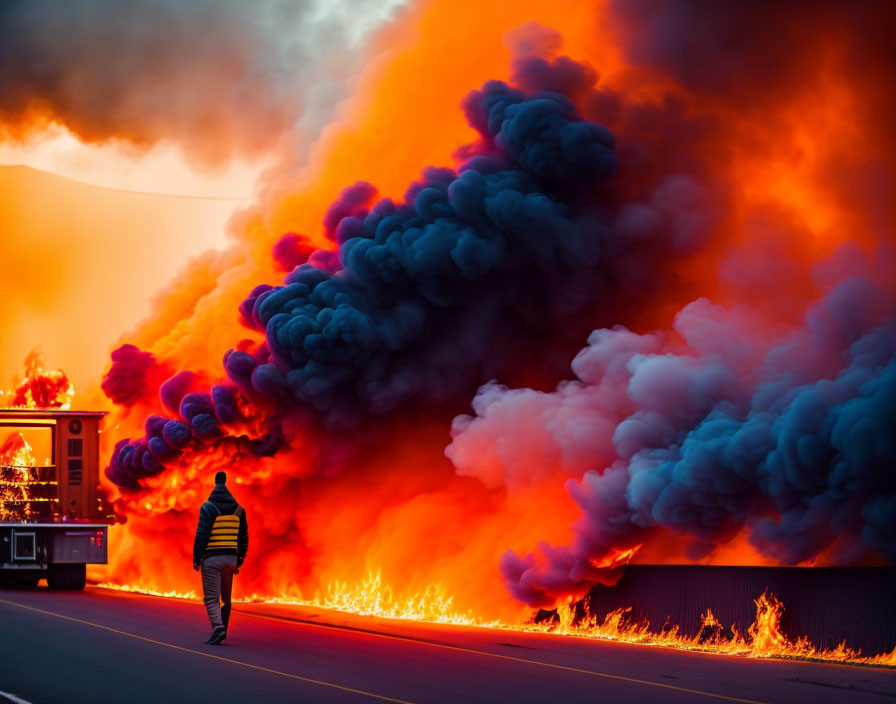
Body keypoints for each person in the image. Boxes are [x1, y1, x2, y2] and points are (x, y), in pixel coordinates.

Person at [193, 471, 248, 645]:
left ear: (214, 485)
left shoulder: (208, 508)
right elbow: (243, 538)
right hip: (230, 560)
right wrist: (238, 560)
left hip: (212, 560)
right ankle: (223, 628)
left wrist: (196, 558)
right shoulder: (239, 510)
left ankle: (218, 628)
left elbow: (201, 535)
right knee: (226, 599)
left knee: (211, 598)